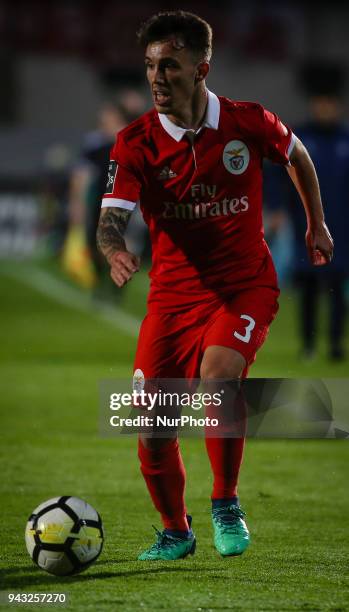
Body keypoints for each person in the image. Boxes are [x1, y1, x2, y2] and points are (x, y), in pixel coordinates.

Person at [96, 11, 333, 561]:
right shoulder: (134, 143)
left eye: (170, 65)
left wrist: (315, 222)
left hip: (243, 286)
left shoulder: (247, 121)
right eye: (151, 65)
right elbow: (111, 218)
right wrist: (114, 250)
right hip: (172, 299)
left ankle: (226, 502)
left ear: (201, 68)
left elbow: (297, 153)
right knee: (153, 425)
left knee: (219, 376)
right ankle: (176, 530)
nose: (157, 77)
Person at [267, 61, 348, 360]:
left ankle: (337, 345)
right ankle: (309, 345)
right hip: (306, 223)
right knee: (310, 287)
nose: (325, 109)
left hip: (342, 225)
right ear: (314, 105)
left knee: (338, 288)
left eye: (330, 104)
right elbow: (276, 174)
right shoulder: (298, 138)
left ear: (337, 106)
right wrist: (276, 208)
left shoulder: (346, 139)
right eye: (320, 104)